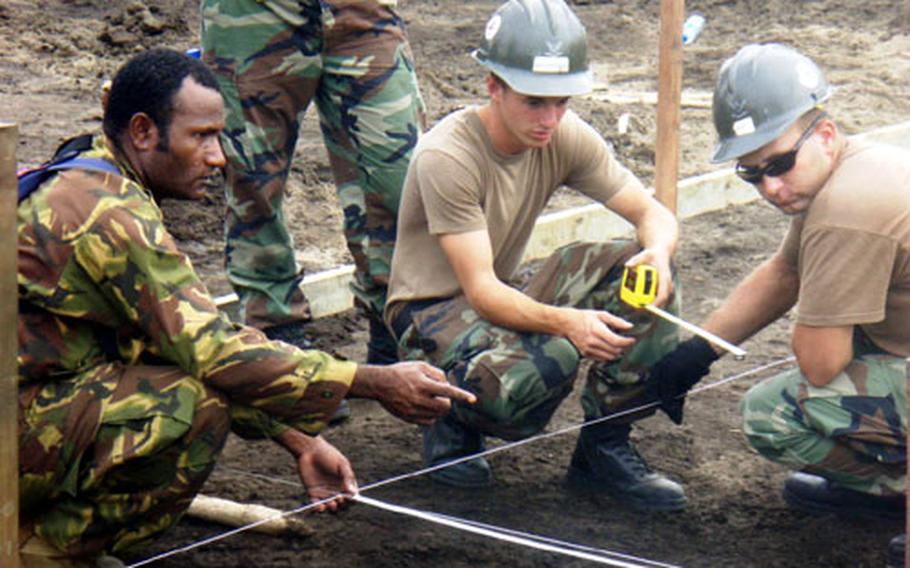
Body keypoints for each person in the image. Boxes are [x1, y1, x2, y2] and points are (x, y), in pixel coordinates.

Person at [16, 48, 472, 567]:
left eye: (219, 135)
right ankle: (44, 553)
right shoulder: (107, 214)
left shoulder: (95, 174)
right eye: (200, 136)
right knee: (188, 407)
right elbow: (213, 352)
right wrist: (370, 381)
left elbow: (184, 344)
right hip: (19, 421)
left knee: (177, 375)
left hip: (36, 400)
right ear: (142, 132)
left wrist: (298, 441)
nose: (218, 157)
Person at [384, 0, 687, 511]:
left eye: (561, 101)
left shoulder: (562, 134)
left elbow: (651, 213)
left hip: (500, 295)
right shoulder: (448, 156)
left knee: (647, 282)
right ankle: (452, 420)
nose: (550, 118)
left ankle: (603, 447)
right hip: (430, 312)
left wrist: (657, 252)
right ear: (494, 86)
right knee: (549, 362)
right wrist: (568, 323)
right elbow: (480, 291)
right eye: (534, 101)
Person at [645, 43, 907, 523]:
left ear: (825, 134)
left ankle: (895, 490)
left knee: (773, 412)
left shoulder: (846, 210)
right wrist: (700, 350)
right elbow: (784, 273)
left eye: (780, 164)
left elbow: (821, 363)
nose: (769, 187)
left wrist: (824, 304)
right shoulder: (856, 166)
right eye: (751, 173)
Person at [200, 0, 425, 365]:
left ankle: (392, 322)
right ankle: (278, 338)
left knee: (398, 175)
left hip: (362, 12)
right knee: (252, 181)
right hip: (254, 15)